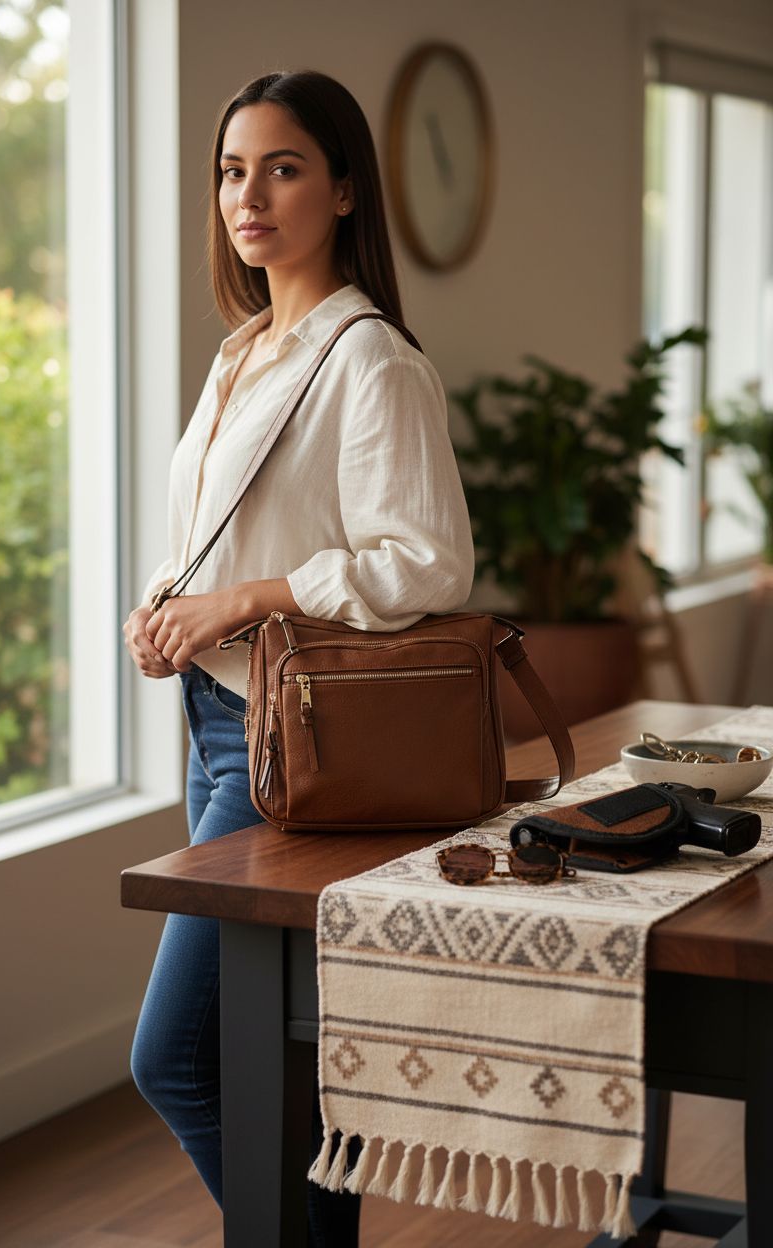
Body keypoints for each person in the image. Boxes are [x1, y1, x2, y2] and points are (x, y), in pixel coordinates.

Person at [123, 68, 475, 1247]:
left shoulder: (369, 359)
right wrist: (167, 608)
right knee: (276, 1060)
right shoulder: (242, 353)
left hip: (292, 742)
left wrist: (244, 602)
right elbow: (225, 531)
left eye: (282, 168)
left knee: (176, 1058)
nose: (249, 195)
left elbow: (427, 563)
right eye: (233, 171)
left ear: (342, 189)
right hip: (218, 724)